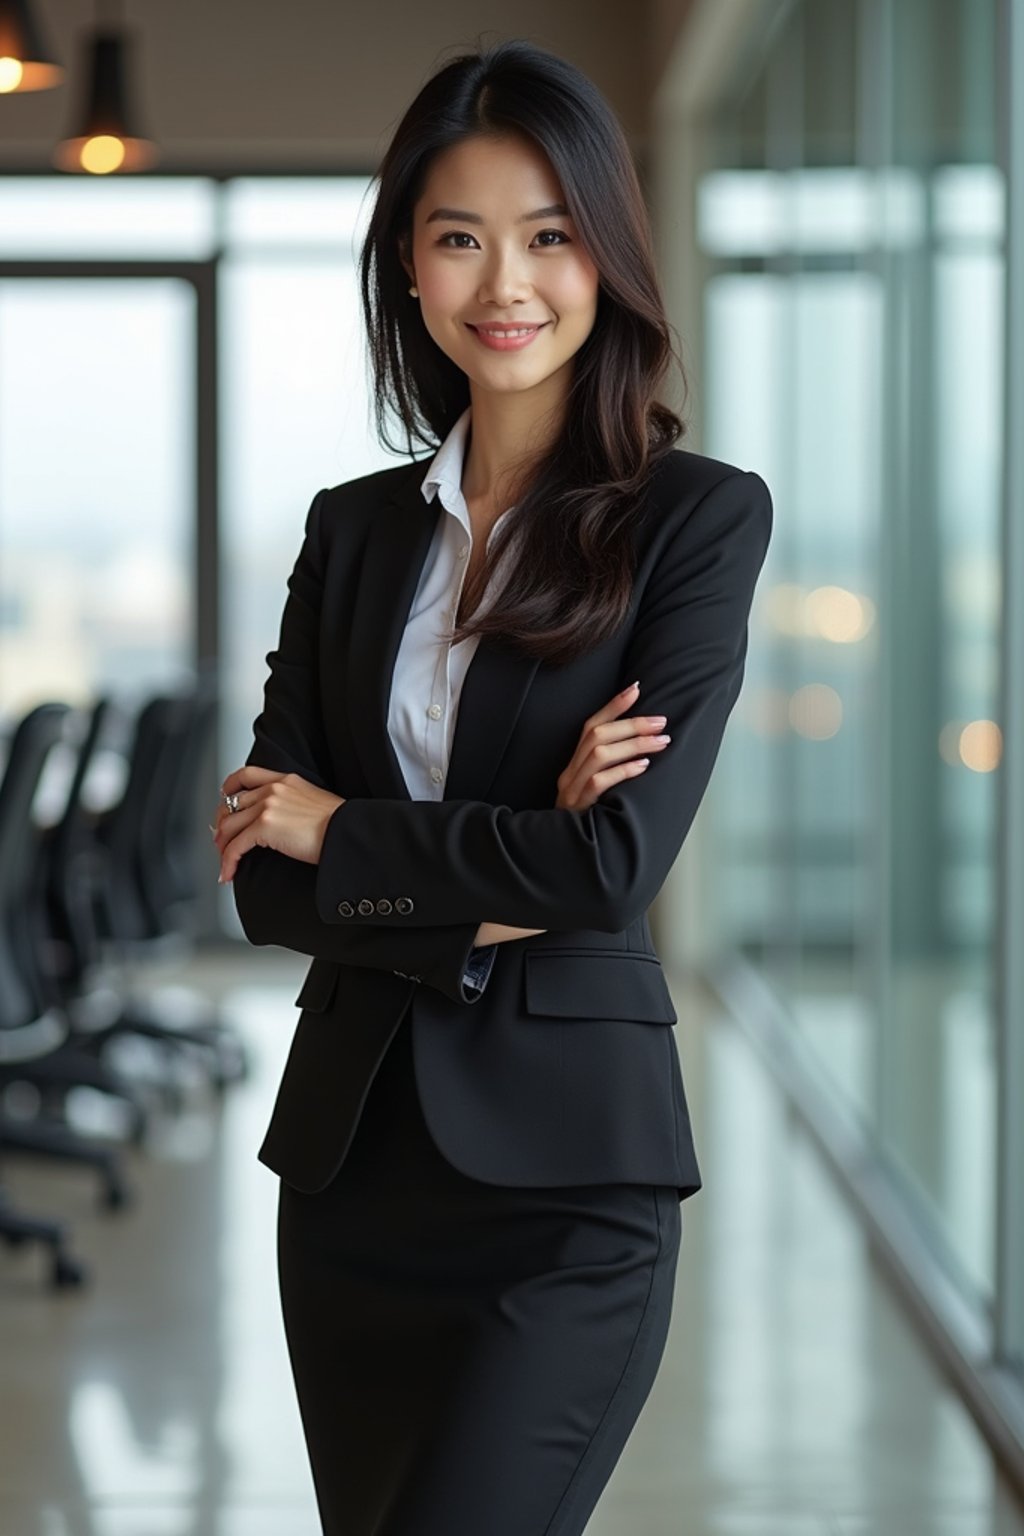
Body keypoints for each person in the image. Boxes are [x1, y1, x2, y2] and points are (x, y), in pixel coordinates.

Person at [212, 36, 772, 1536]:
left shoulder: (691, 524)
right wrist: (506, 859)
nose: (505, 284)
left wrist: (353, 837)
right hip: (351, 1185)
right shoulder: (351, 535)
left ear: (607, 252)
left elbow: (613, 873)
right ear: (408, 265)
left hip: (570, 1196)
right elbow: (267, 883)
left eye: (549, 235)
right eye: (460, 238)